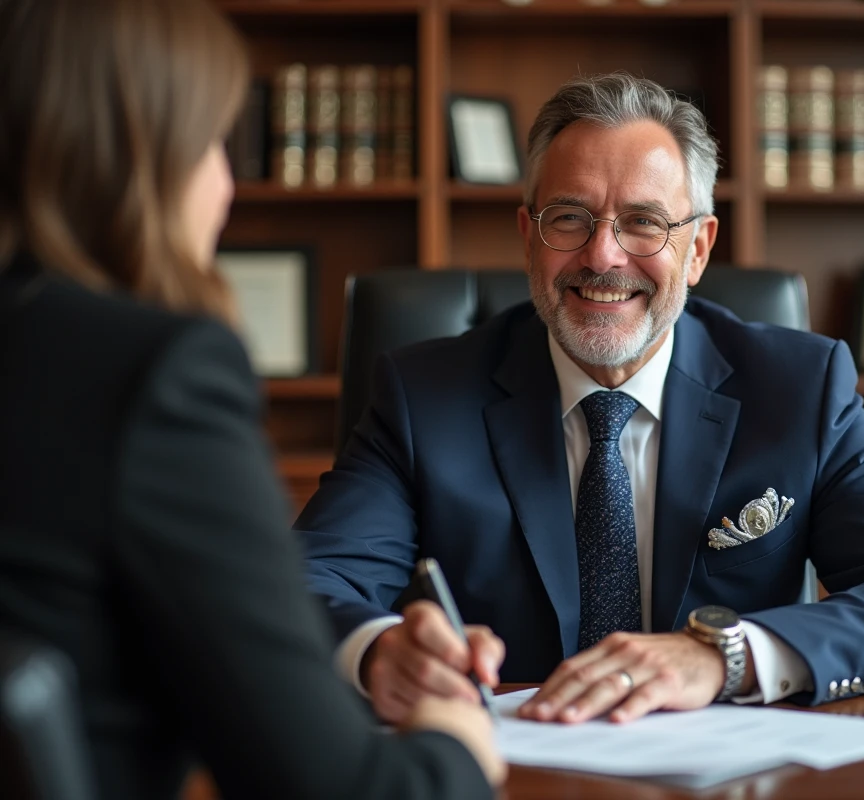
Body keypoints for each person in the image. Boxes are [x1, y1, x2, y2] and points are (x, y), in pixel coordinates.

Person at [298, 72, 864, 727]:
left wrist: (723, 656)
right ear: (528, 238)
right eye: (569, 218)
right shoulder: (423, 398)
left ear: (698, 250)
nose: (603, 255)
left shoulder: (799, 389)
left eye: (644, 222)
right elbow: (307, 584)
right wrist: (383, 652)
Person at [0, 0, 503, 798]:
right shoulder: (156, 375)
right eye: (211, 143)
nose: (227, 188)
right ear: (145, 155)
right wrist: (458, 748)